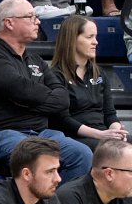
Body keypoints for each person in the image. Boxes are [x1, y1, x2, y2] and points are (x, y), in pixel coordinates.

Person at [0, 0, 93, 184]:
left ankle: (59, 203)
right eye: (30, 17)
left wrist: (27, 101)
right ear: (9, 23)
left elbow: (63, 99)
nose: (37, 21)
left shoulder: (36, 60)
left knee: (81, 153)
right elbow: (22, 91)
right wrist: (31, 100)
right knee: (37, 153)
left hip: (39, 133)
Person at [50, 14, 128, 152]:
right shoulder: (55, 76)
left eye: (96, 37)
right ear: (72, 40)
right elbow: (63, 120)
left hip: (102, 133)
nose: (95, 42)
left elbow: (109, 113)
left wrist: (116, 131)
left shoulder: (99, 73)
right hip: (74, 138)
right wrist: (100, 135)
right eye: (89, 37)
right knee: (110, 151)